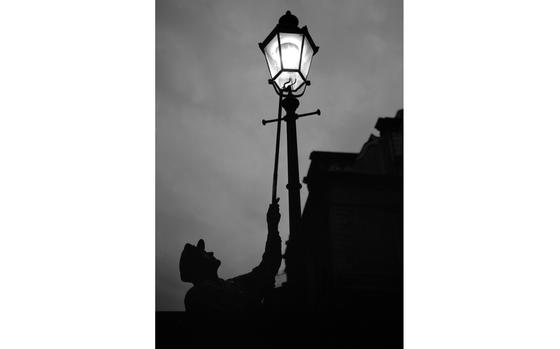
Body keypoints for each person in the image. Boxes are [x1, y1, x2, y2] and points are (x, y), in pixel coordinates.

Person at [179, 198, 282, 315]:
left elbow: (266, 268)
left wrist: (272, 227)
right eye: (203, 253)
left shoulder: (232, 284)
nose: (211, 253)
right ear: (197, 266)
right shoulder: (197, 295)